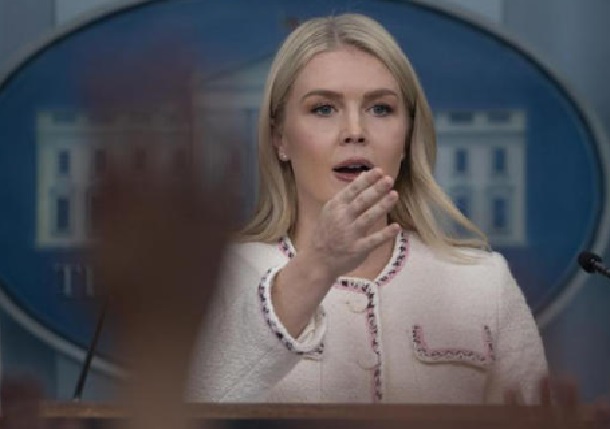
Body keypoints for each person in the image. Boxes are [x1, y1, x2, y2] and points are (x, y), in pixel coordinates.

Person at [188, 13, 547, 405]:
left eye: (380, 109)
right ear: (280, 139)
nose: (355, 132)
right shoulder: (220, 275)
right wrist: (317, 266)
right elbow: (184, 409)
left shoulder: (484, 281)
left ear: (407, 136)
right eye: (323, 109)